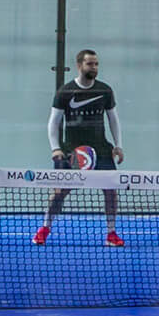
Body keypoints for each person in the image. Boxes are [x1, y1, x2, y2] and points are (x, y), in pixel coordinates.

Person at [34, 48, 125, 247]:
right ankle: (45, 228)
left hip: (101, 150)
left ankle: (111, 233)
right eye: (90, 64)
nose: (94, 67)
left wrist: (118, 145)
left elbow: (113, 119)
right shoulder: (65, 92)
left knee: (111, 191)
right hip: (72, 151)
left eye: (96, 64)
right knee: (60, 192)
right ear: (79, 65)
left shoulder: (105, 90)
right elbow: (53, 122)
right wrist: (55, 149)